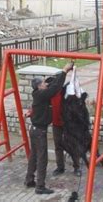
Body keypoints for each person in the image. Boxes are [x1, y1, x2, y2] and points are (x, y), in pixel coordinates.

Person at [24, 62, 74, 195]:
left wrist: (59, 76)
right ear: (39, 86)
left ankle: (29, 179)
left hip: (34, 130)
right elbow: (55, 88)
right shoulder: (42, 95)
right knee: (42, 158)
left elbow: (53, 85)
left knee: (34, 156)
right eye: (44, 83)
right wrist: (65, 70)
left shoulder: (38, 93)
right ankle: (40, 186)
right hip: (39, 132)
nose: (46, 84)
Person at [47, 77, 82, 177]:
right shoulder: (49, 95)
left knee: (73, 145)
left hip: (68, 124)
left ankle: (77, 167)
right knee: (58, 146)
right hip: (56, 124)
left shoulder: (66, 93)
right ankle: (60, 167)